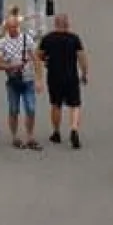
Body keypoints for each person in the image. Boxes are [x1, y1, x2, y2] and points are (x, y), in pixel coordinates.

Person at [38, 14, 87, 147]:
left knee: (56, 104)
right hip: (71, 76)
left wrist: (45, 60)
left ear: (55, 24)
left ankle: (56, 132)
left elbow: (39, 55)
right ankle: (74, 129)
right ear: (67, 24)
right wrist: (84, 73)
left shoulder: (47, 38)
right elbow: (82, 57)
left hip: (54, 76)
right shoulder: (74, 39)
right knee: (75, 105)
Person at [0, 9, 42, 150]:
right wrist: (10, 66)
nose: (14, 29)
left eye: (15, 26)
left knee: (31, 108)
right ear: (7, 28)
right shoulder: (2, 43)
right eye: (11, 27)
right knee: (14, 109)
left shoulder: (27, 39)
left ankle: (30, 136)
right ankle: (15, 136)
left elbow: (36, 59)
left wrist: (39, 79)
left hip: (28, 79)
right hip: (13, 80)